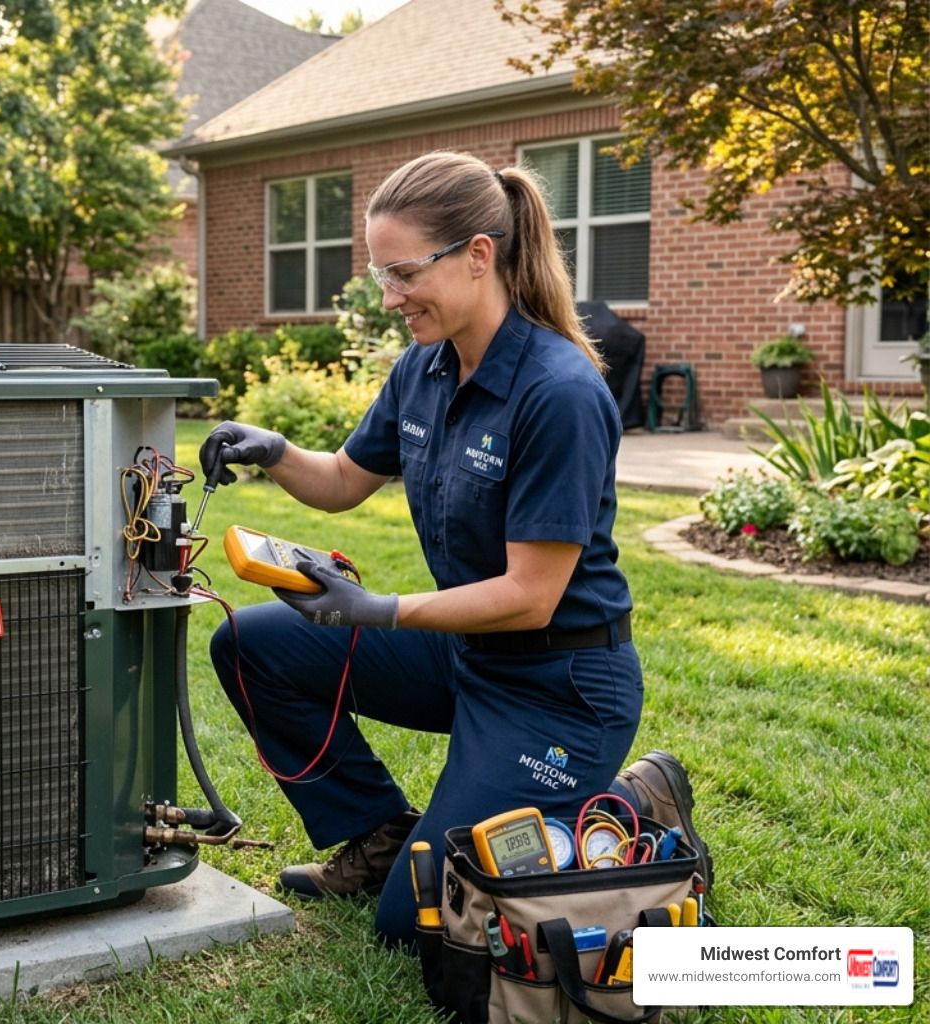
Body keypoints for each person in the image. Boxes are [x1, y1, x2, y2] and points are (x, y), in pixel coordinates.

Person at [199, 151, 709, 950]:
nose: (391, 297)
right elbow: (341, 479)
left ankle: (628, 800)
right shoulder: (422, 369)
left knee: (419, 926)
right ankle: (374, 835)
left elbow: (532, 594)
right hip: (465, 655)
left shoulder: (559, 392)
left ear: (478, 255)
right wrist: (273, 450)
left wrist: (378, 611)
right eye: (380, 277)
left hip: (557, 688)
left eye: (402, 273)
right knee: (250, 645)